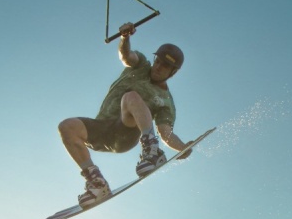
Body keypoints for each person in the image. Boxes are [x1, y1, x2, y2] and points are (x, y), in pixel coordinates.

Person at [58, 22, 193, 207]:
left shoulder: (166, 102)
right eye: (158, 62)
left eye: (165, 66)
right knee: (67, 127)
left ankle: (152, 152)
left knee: (130, 97)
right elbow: (126, 56)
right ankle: (97, 184)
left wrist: (183, 148)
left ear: (173, 72)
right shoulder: (141, 66)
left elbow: (165, 133)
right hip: (102, 129)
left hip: (125, 133)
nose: (158, 67)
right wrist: (125, 37)